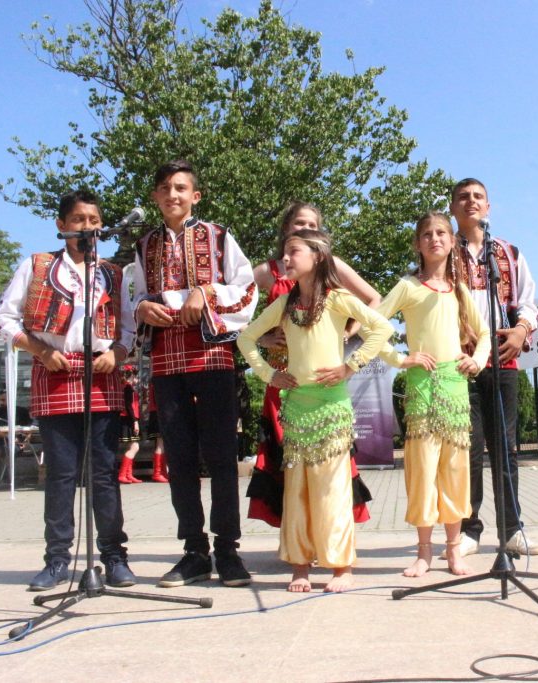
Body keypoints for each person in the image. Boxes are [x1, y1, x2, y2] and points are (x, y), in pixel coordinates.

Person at [0, 189, 135, 590]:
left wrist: (117, 353)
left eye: (94, 221)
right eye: (79, 220)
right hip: (54, 370)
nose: (87, 227)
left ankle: (114, 557)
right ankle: (56, 560)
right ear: (61, 225)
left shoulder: (113, 273)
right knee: (61, 475)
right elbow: (2, 318)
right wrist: (39, 349)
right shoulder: (36, 265)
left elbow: (129, 327)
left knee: (104, 474)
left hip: (101, 375)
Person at [237, 229, 392, 593]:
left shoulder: (338, 298)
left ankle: (341, 566)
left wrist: (351, 366)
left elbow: (381, 327)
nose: (285, 258)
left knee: (332, 489)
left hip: (332, 407)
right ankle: (300, 566)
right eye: (284, 252)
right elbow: (246, 337)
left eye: (294, 251)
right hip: (297, 409)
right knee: (298, 490)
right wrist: (269, 374)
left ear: (318, 257)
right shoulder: (285, 304)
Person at [133, 159, 258, 587]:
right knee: (180, 458)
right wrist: (142, 307)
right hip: (166, 361)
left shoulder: (218, 236)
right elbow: (135, 296)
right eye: (165, 188)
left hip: (211, 357)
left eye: (181, 188)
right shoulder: (144, 245)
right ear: (155, 196)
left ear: (195, 195)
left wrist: (205, 293)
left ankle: (228, 550)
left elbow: (246, 288)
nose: (173, 194)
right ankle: (194, 551)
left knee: (221, 455)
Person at [247, 201, 377, 528]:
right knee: (287, 459)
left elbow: (374, 299)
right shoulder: (268, 271)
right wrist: (261, 339)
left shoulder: (331, 265)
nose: (305, 229)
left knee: (327, 458)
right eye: (299, 224)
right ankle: (296, 534)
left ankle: (328, 532)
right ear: (286, 229)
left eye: (311, 225)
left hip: (321, 381)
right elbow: (231, 306)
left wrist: (348, 332)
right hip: (283, 379)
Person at [376, 212, 491, 577]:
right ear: (417, 243)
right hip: (422, 386)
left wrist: (476, 361)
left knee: (455, 470)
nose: (435, 239)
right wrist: (400, 358)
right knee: (423, 469)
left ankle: (453, 549)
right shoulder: (408, 286)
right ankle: (423, 551)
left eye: (441, 232)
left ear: (452, 241)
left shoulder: (459, 290)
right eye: (427, 234)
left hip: (455, 387)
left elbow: (484, 334)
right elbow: (371, 324)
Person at [450, 178, 538, 557]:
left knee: (505, 447)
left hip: (503, 358)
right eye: (463, 197)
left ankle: (511, 529)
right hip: (459, 362)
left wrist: (521, 331)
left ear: (488, 207)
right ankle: (468, 529)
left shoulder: (507, 252)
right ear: (453, 208)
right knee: (468, 447)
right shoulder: (442, 250)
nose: (471, 202)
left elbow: (528, 302)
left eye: (478, 197)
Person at [117, 366, 142, 484]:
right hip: (128, 420)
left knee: (132, 446)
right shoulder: (128, 388)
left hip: (127, 419)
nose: (137, 379)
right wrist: (135, 421)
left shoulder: (125, 387)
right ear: (131, 376)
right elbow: (129, 406)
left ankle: (128, 474)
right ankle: (123, 474)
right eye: (135, 376)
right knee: (135, 447)